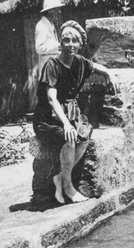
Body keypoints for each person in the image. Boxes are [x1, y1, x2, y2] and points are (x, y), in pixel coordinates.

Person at [32, 20, 115, 205]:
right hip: (47, 118)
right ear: (60, 43)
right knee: (68, 136)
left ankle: (60, 176)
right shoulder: (52, 65)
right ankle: (69, 187)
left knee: (84, 134)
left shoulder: (79, 62)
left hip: (69, 114)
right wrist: (66, 123)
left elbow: (95, 67)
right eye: (66, 40)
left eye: (74, 41)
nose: (70, 44)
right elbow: (52, 99)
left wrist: (109, 74)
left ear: (80, 44)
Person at [35, 0, 63, 74]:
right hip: (47, 69)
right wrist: (58, 46)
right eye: (57, 10)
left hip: (53, 67)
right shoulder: (41, 26)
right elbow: (39, 48)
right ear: (50, 11)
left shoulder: (50, 25)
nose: (59, 12)